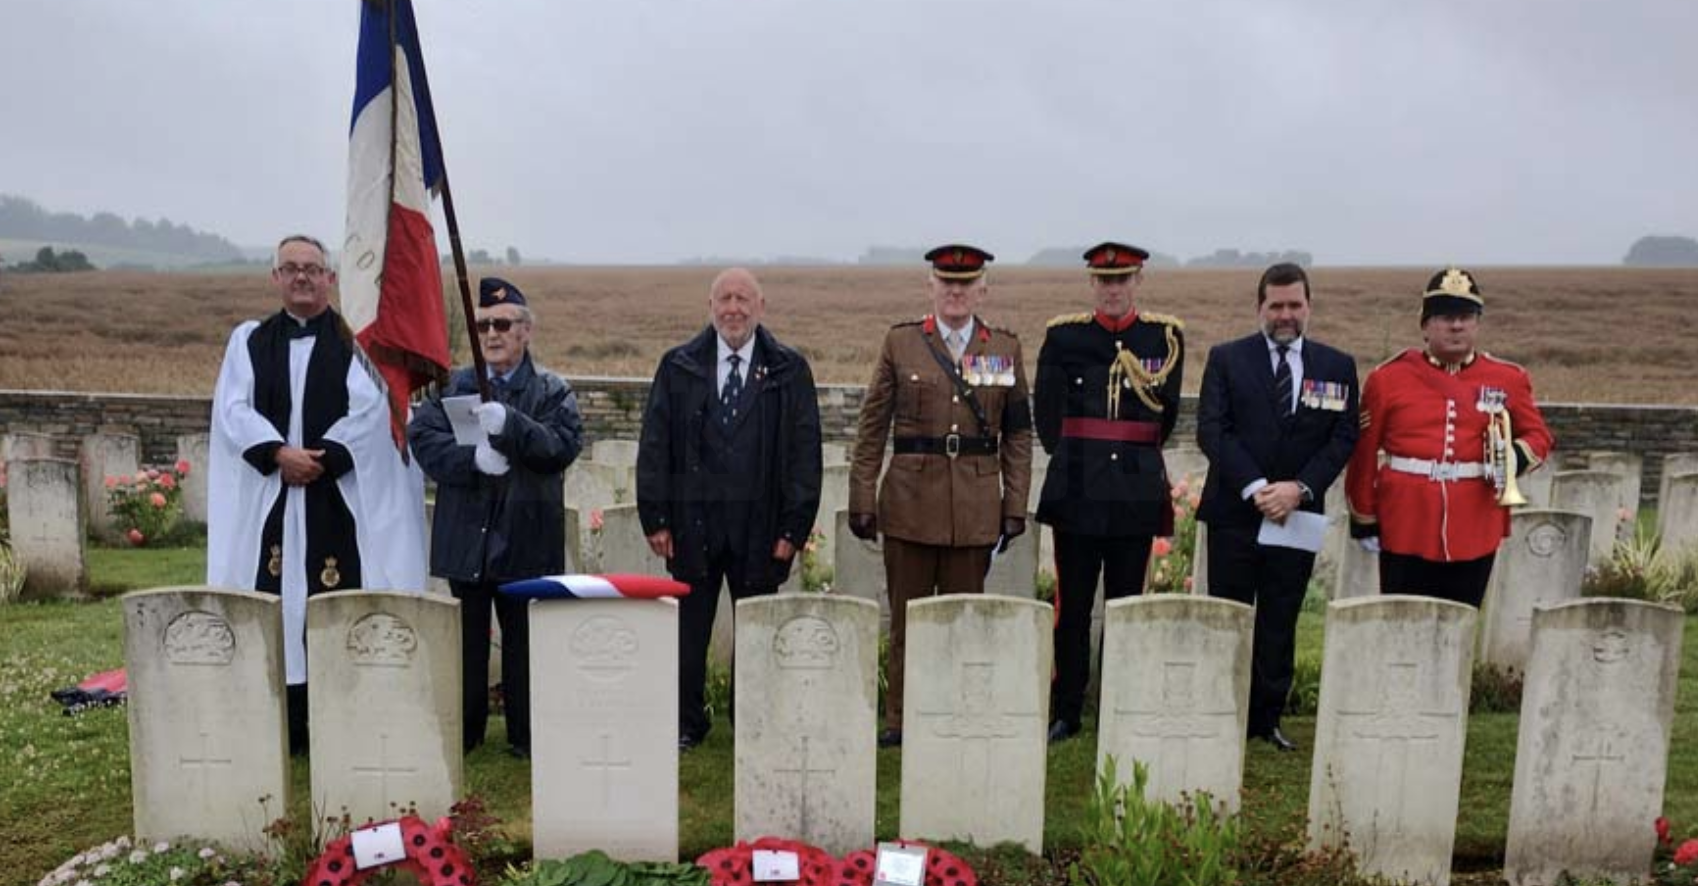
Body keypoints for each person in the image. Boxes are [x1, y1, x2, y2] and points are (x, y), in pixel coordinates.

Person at [206, 233, 427, 754]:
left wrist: (320, 456)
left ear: (330, 277)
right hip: (274, 497)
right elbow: (232, 409)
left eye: (312, 267)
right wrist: (279, 453)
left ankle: (349, 714)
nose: (302, 276)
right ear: (275, 278)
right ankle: (288, 722)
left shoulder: (361, 343)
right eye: (291, 268)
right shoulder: (249, 341)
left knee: (338, 591)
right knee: (277, 600)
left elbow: (373, 410)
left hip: (335, 496)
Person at [848, 244, 1033, 748]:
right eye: (946, 283)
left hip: (973, 510)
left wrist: (1014, 505)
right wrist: (862, 496)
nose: (956, 292)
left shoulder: (1002, 349)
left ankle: (955, 709)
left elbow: (1017, 434)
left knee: (962, 620)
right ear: (930, 286)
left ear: (982, 290)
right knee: (907, 620)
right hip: (909, 503)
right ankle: (901, 720)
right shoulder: (902, 343)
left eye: (966, 284)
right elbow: (872, 427)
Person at [636, 268, 823, 751]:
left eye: (743, 299)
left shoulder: (788, 369)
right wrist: (655, 518)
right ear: (711, 305)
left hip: (761, 528)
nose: (733, 308)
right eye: (724, 299)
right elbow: (655, 445)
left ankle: (753, 719)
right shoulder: (679, 365)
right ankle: (686, 723)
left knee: (757, 631)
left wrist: (794, 527)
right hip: (692, 524)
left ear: (761, 306)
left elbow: (806, 454)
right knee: (688, 633)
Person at [408, 277, 584, 758]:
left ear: (525, 331)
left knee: (524, 645)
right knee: (466, 646)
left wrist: (514, 426)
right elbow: (425, 440)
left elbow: (560, 446)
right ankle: (464, 736)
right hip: (468, 538)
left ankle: (526, 738)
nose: (492, 334)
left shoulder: (551, 391)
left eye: (503, 324)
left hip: (525, 539)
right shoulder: (454, 386)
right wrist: (472, 461)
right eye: (483, 325)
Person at [1196, 262, 1359, 752]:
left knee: (1280, 618)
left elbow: (1343, 435)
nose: (1285, 315)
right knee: (1231, 616)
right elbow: (1212, 430)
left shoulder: (1337, 366)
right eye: (1276, 305)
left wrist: (1300, 489)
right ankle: (1223, 710)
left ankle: (1266, 719)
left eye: (1295, 305)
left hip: (1298, 516)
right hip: (1236, 513)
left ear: (1308, 306)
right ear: (1260, 307)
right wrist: (1259, 487)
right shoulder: (1227, 359)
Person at [1034, 242, 1183, 743]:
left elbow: (1166, 420)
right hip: (1077, 488)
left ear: (1138, 280)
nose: (1113, 288)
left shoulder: (1164, 336)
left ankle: (1118, 702)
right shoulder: (1063, 336)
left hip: (1135, 493)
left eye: (1123, 279)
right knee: (1072, 607)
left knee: (1125, 605)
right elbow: (1047, 418)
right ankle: (1068, 708)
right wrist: (1084, 458)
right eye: (1104, 280)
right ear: (1092, 284)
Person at [1346, 267, 1554, 607]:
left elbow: (1539, 435)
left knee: (1460, 624)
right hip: (1407, 519)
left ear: (1477, 324)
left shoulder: (1508, 378)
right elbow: (1364, 451)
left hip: (1474, 519)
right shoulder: (1388, 378)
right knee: (1403, 622)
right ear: (1425, 325)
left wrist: (1511, 457)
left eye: (1466, 316)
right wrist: (1365, 517)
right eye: (1444, 317)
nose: (1456, 325)